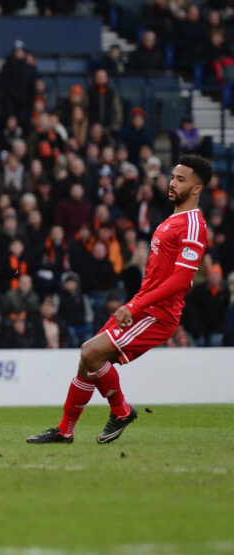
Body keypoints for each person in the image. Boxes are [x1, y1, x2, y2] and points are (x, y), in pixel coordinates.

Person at [27, 155, 213, 444]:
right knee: (86, 362)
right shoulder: (173, 219)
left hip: (158, 313)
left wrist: (135, 305)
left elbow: (180, 279)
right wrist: (136, 301)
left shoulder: (193, 225)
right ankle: (65, 430)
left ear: (197, 188)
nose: (172, 182)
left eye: (181, 179)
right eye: (173, 176)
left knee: (90, 353)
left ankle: (121, 410)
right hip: (143, 304)